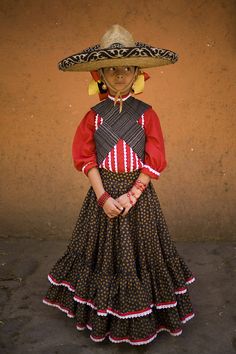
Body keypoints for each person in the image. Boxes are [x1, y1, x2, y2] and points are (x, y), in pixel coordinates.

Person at [42, 24, 196, 346]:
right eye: (112, 68)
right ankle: (105, 314)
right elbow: (86, 159)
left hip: (139, 199)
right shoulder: (93, 117)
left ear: (138, 70)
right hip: (103, 197)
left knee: (139, 256)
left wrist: (133, 193)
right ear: (100, 73)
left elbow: (155, 157)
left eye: (127, 67)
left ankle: (142, 314)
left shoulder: (146, 115)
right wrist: (103, 197)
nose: (120, 74)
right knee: (104, 257)